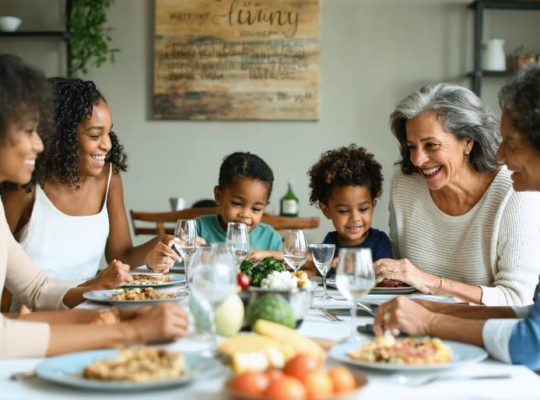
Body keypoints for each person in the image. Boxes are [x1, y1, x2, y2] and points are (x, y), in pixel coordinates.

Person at [0, 54, 188, 358]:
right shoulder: (20, 194)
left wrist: (102, 293)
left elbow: (35, 287)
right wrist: (129, 331)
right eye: (28, 131)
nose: (38, 143)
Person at [374, 66, 540, 370]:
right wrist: (423, 308)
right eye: (412, 147)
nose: (501, 154)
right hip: (435, 351)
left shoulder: (516, 191)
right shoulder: (406, 184)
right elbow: (530, 316)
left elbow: (529, 336)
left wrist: (430, 318)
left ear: (468, 142)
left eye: (512, 143)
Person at [1, 77, 178, 302]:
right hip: (33, 316)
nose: (107, 144)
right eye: (95, 135)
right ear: (60, 138)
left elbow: (120, 255)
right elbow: (12, 280)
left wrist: (158, 244)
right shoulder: (24, 189)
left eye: (108, 133)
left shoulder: (110, 178)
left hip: (89, 304)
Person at [307, 144, 392, 273]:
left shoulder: (379, 241)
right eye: (343, 211)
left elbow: (385, 273)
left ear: (373, 207)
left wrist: (350, 264)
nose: (355, 218)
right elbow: (321, 273)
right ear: (326, 210)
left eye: (363, 209)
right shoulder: (329, 243)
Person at [196, 152, 282, 260]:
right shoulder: (200, 228)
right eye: (237, 204)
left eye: (256, 209)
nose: (245, 215)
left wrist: (269, 254)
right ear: (219, 196)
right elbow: (178, 259)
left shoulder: (270, 237)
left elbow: (286, 262)